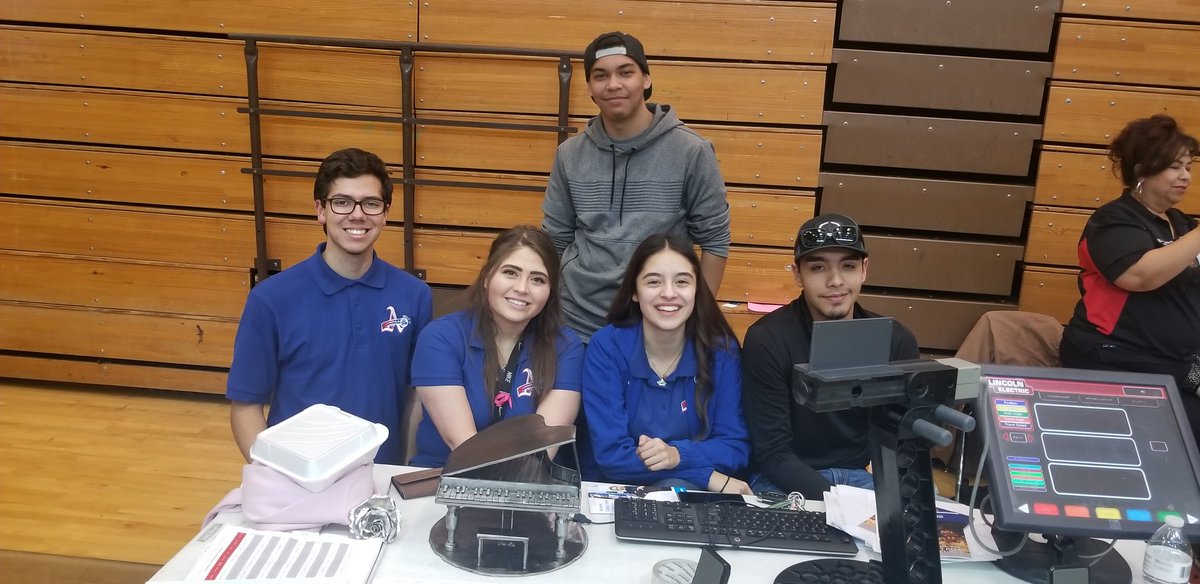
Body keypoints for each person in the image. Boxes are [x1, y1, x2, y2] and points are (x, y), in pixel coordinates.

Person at [227, 148, 432, 465]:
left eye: (371, 203)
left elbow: (414, 399)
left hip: (378, 476)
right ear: (320, 210)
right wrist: (276, 476)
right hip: (298, 478)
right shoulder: (270, 299)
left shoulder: (415, 295)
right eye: (342, 202)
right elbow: (246, 405)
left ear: (386, 212)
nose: (357, 214)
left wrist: (400, 473)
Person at [542, 31, 731, 342]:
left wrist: (696, 316)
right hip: (576, 322)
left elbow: (715, 241)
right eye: (601, 75)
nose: (613, 84)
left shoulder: (692, 151)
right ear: (589, 87)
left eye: (626, 72)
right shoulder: (569, 155)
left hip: (656, 323)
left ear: (646, 79)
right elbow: (555, 240)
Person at [741, 213, 919, 499]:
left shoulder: (895, 339)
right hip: (783, 480)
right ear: (797, 274)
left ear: (864, 270)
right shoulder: (767, 340)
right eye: (818, 267)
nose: (835, 281)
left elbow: (904, 442)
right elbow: (772, 453)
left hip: (860, 478)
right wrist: (840, 506)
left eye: (847, 266)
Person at [1059, 114, 1199, 434]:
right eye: (1175, 167)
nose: (1185, 177)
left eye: (1189, 168)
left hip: (1174, 363)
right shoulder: (1113, 220)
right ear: (1141, 171)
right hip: (1113, 358)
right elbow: (1139, 277)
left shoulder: (1182, 224)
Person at [582, 233, 751, 492]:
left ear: (697, 290)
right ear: (635, 292)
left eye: (682, 281)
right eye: (653, 282)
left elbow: (734, 447)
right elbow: (612, 456)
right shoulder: (607, 346)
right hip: (614, 492)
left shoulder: (721, 351)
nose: (669, 293)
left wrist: (678, 454)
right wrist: (706, 476)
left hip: (692, 500)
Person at [409, 226, 584, 468]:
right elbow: (461, 444)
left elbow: (544, 449)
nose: (522, 288)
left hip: (528, 481)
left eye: (537, 279)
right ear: (487, 276)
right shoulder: (440, 337)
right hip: (441, 479)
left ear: (550, 292)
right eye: (511, 272)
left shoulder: (566, 347)